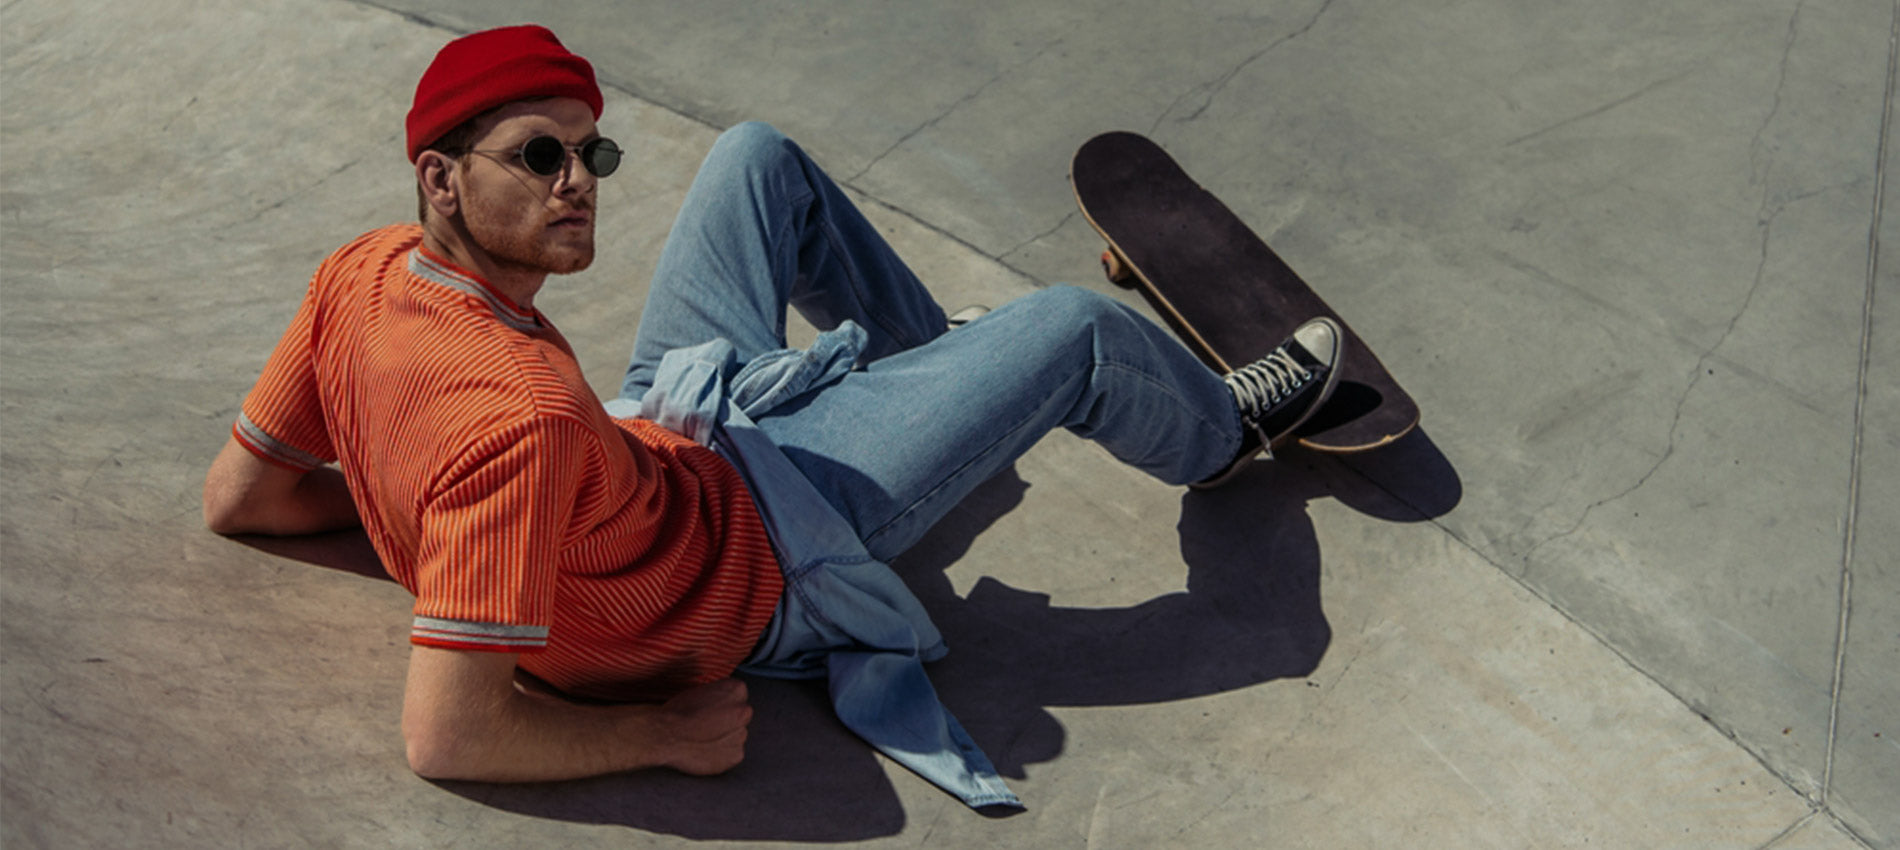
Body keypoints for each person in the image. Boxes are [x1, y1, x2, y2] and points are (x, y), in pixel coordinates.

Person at [202, 24, 1342, 810]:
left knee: (758, 160)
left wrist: (445, 528)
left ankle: (930, 370)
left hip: (660, 436)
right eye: (536, 155)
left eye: (588, 150)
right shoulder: (519, 425)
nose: (577, 181)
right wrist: (650, 734)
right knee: (1070, 329)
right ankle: (1220, 432)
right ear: (441, 178)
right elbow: (449, 736)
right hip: (766, 551)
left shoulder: (362, 272)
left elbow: (241, 499)